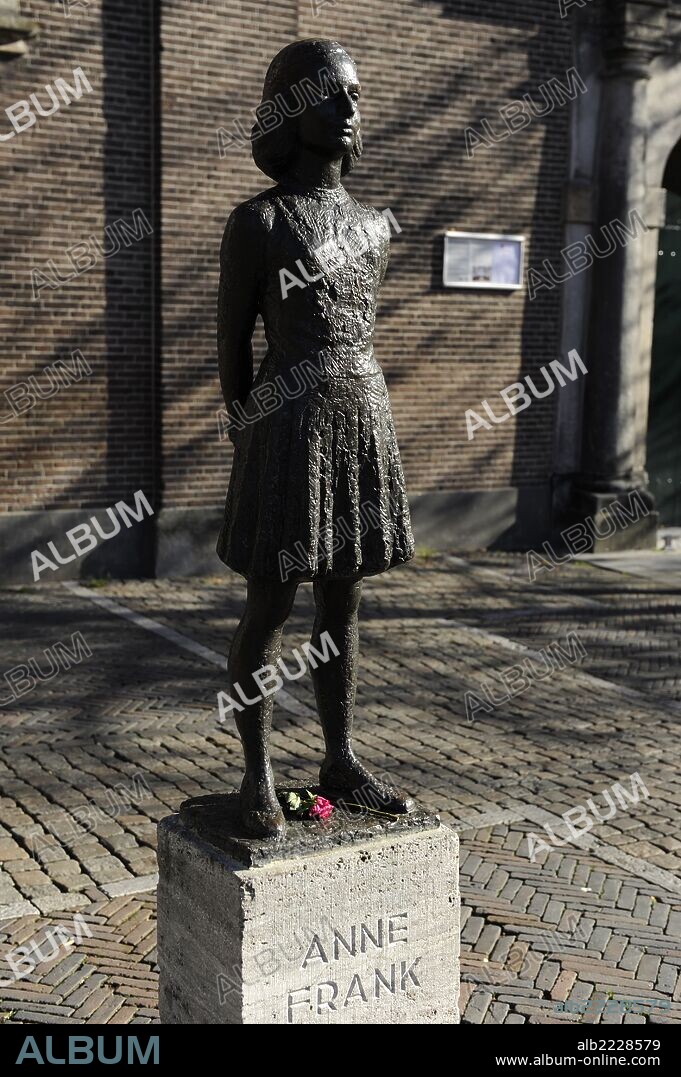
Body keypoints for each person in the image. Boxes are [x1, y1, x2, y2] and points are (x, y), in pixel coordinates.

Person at [217, 39, 415, 837]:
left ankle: (340, 756)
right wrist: (248, 435)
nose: (348, 109)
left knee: (344, 595)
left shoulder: (371, 226)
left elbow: (357, 327)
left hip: (360, 409)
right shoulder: (259, 221)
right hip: (286, 420)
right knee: (271, 599)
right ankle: (257, 770)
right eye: (331, 94)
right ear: (291, 109)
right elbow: (232, 342)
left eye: (355, 95)